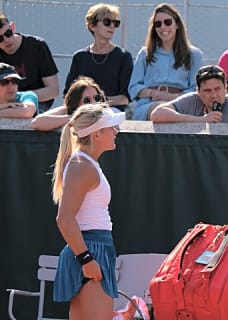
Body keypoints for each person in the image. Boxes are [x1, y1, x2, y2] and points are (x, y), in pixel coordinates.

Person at [51, 104, 125, 319]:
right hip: (90, 249)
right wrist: (86, 259)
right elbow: (64, 219)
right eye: (112, 127)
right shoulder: (82, 166)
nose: (116, 132)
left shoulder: (86, 164)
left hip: (96, 247)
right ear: (97, 133)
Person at [128, 3, 203, 120]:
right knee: (161, 109)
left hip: (180, 103)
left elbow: (195, 90)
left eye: (167, 22)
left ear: (177, 24)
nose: (163, 27)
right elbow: (133, 87)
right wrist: (154, 94)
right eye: (158, 24)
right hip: (148, 104)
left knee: (165, 110)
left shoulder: (194, 55)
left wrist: (170, 97)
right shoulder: (145, 53)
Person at [64, 3, 133, 111]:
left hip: (111, 110)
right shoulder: (80, 57)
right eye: (107, 22)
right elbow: (68, 93)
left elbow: (125, 98)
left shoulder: (123, 57)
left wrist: (98, 103)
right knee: (42, 121)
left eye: (116, 23)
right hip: (82, 110)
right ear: (92, 26)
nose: (112, 26)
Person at [0, 12, 58, 111]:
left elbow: (53, 90)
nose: (6, 40)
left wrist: (23, 98)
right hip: (4, 104)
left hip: (38, 102)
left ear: (13, 27)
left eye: (8, 33)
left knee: (27, 114)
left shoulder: (37, 46)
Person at [150, 65, 228, 123]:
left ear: (226, 88)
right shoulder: (192, 100)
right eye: (207, 91)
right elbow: (157, 114)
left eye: (217, 89)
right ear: (198, 92)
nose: (214, 95)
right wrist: (200, 120)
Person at [32, 77, 106, 131]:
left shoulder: (106, 113)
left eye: (97, 98)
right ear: (76, 102)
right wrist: (76, 118)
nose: (93, 103)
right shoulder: (67, 111)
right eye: (87, 100)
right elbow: (36, 123)